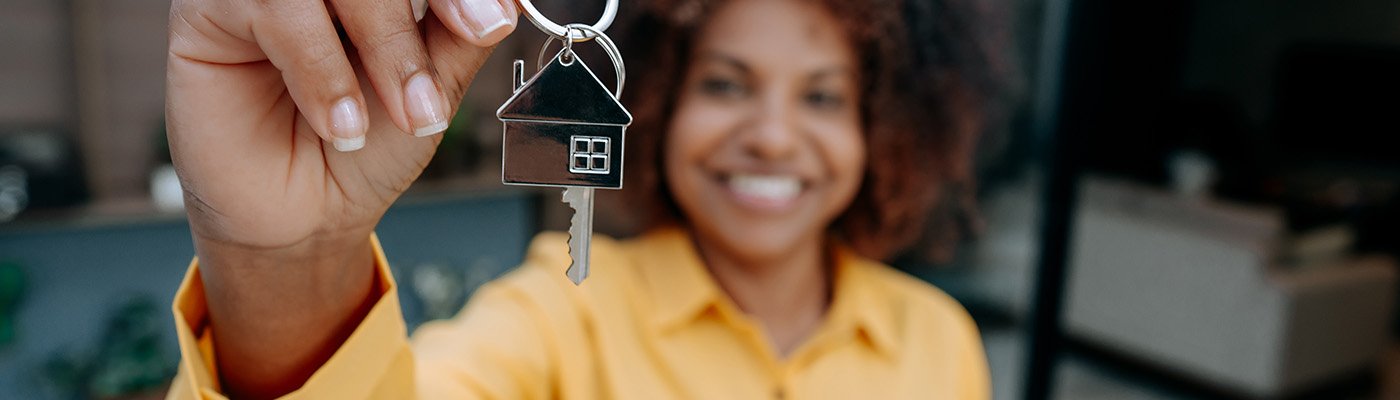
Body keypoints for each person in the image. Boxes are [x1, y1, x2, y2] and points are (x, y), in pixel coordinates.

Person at [164, 0, 997, 398]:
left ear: (885, 129)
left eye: (823, 97)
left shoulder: (938, 340)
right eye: (724, 84)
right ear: (661, 99)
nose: (774, 137)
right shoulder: (558, 317)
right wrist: (279, 267)